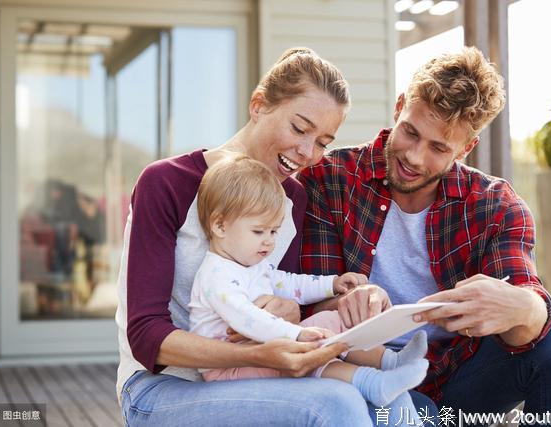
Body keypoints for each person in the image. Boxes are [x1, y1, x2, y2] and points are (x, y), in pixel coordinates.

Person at [298, 46, 551, 424]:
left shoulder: (494, 205)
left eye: (438, 147)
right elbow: (308, 302)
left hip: (459, 378)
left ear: (466, 148)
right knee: (419, 414)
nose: (415, 158)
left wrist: (519, 306)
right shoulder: (330, 179)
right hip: (365, 375)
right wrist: (346, 299)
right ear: (400, 106)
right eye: (410, 132)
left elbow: (529, 321)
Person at [116, 47, 396, 427]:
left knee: (398, 406)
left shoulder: (292, 198)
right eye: (299, 128)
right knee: (335, 404)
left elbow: (279, 293)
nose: (307, 152)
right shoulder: (167, 183)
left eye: (323, 142)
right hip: (161, 386)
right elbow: (147, 336)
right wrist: (257, 355)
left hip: (253, 376)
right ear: (258, 105)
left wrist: (302, 309)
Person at [189, 154, 429, 412]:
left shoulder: (250, 264)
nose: (269, 241)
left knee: (332, 319)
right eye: (259, 231)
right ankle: (372, 383)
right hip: (228, 370)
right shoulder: (216, 276)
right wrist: (297, 335)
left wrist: (332, 284)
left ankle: (390, 362)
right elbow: (248, 319)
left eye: (273, 231)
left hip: (260, 348)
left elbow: (288, 284)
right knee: (309, 351)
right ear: (220, 225)